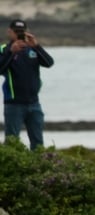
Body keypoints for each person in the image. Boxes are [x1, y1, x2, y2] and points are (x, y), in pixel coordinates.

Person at [0, 19, 55, 150]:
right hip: (14, 104)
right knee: (12, 142)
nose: (19, 34)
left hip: (34, 103)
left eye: (22, 31)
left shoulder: (33, 49)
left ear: (27, 32)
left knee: (38, 143)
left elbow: (49, 63)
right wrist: (11, 52)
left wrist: (37, 46)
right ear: (10, 32)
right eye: (16, 31)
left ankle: (38, 163)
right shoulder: (4, 49)